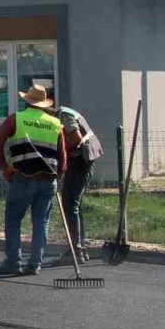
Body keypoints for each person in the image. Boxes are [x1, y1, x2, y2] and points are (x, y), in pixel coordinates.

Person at [0, 84, 67, 276]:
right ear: (44, 104)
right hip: (48, 180)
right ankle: (34, 264)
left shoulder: (16, 119)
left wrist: (4, 168)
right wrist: (58, 176)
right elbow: (63, 157)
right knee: (41, 222)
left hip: (23, 178)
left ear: (27, 100)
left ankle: (13, 262)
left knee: (13, 219)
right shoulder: (56, 123)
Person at [51, 103, 102, 266]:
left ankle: (75, 251)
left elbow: (75, 138)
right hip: (82, 160)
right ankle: (80, 249)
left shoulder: (64, 116)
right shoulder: (66, 113)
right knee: (74, 205)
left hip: (81, 161)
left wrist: (61, 152)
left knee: (70, 204)